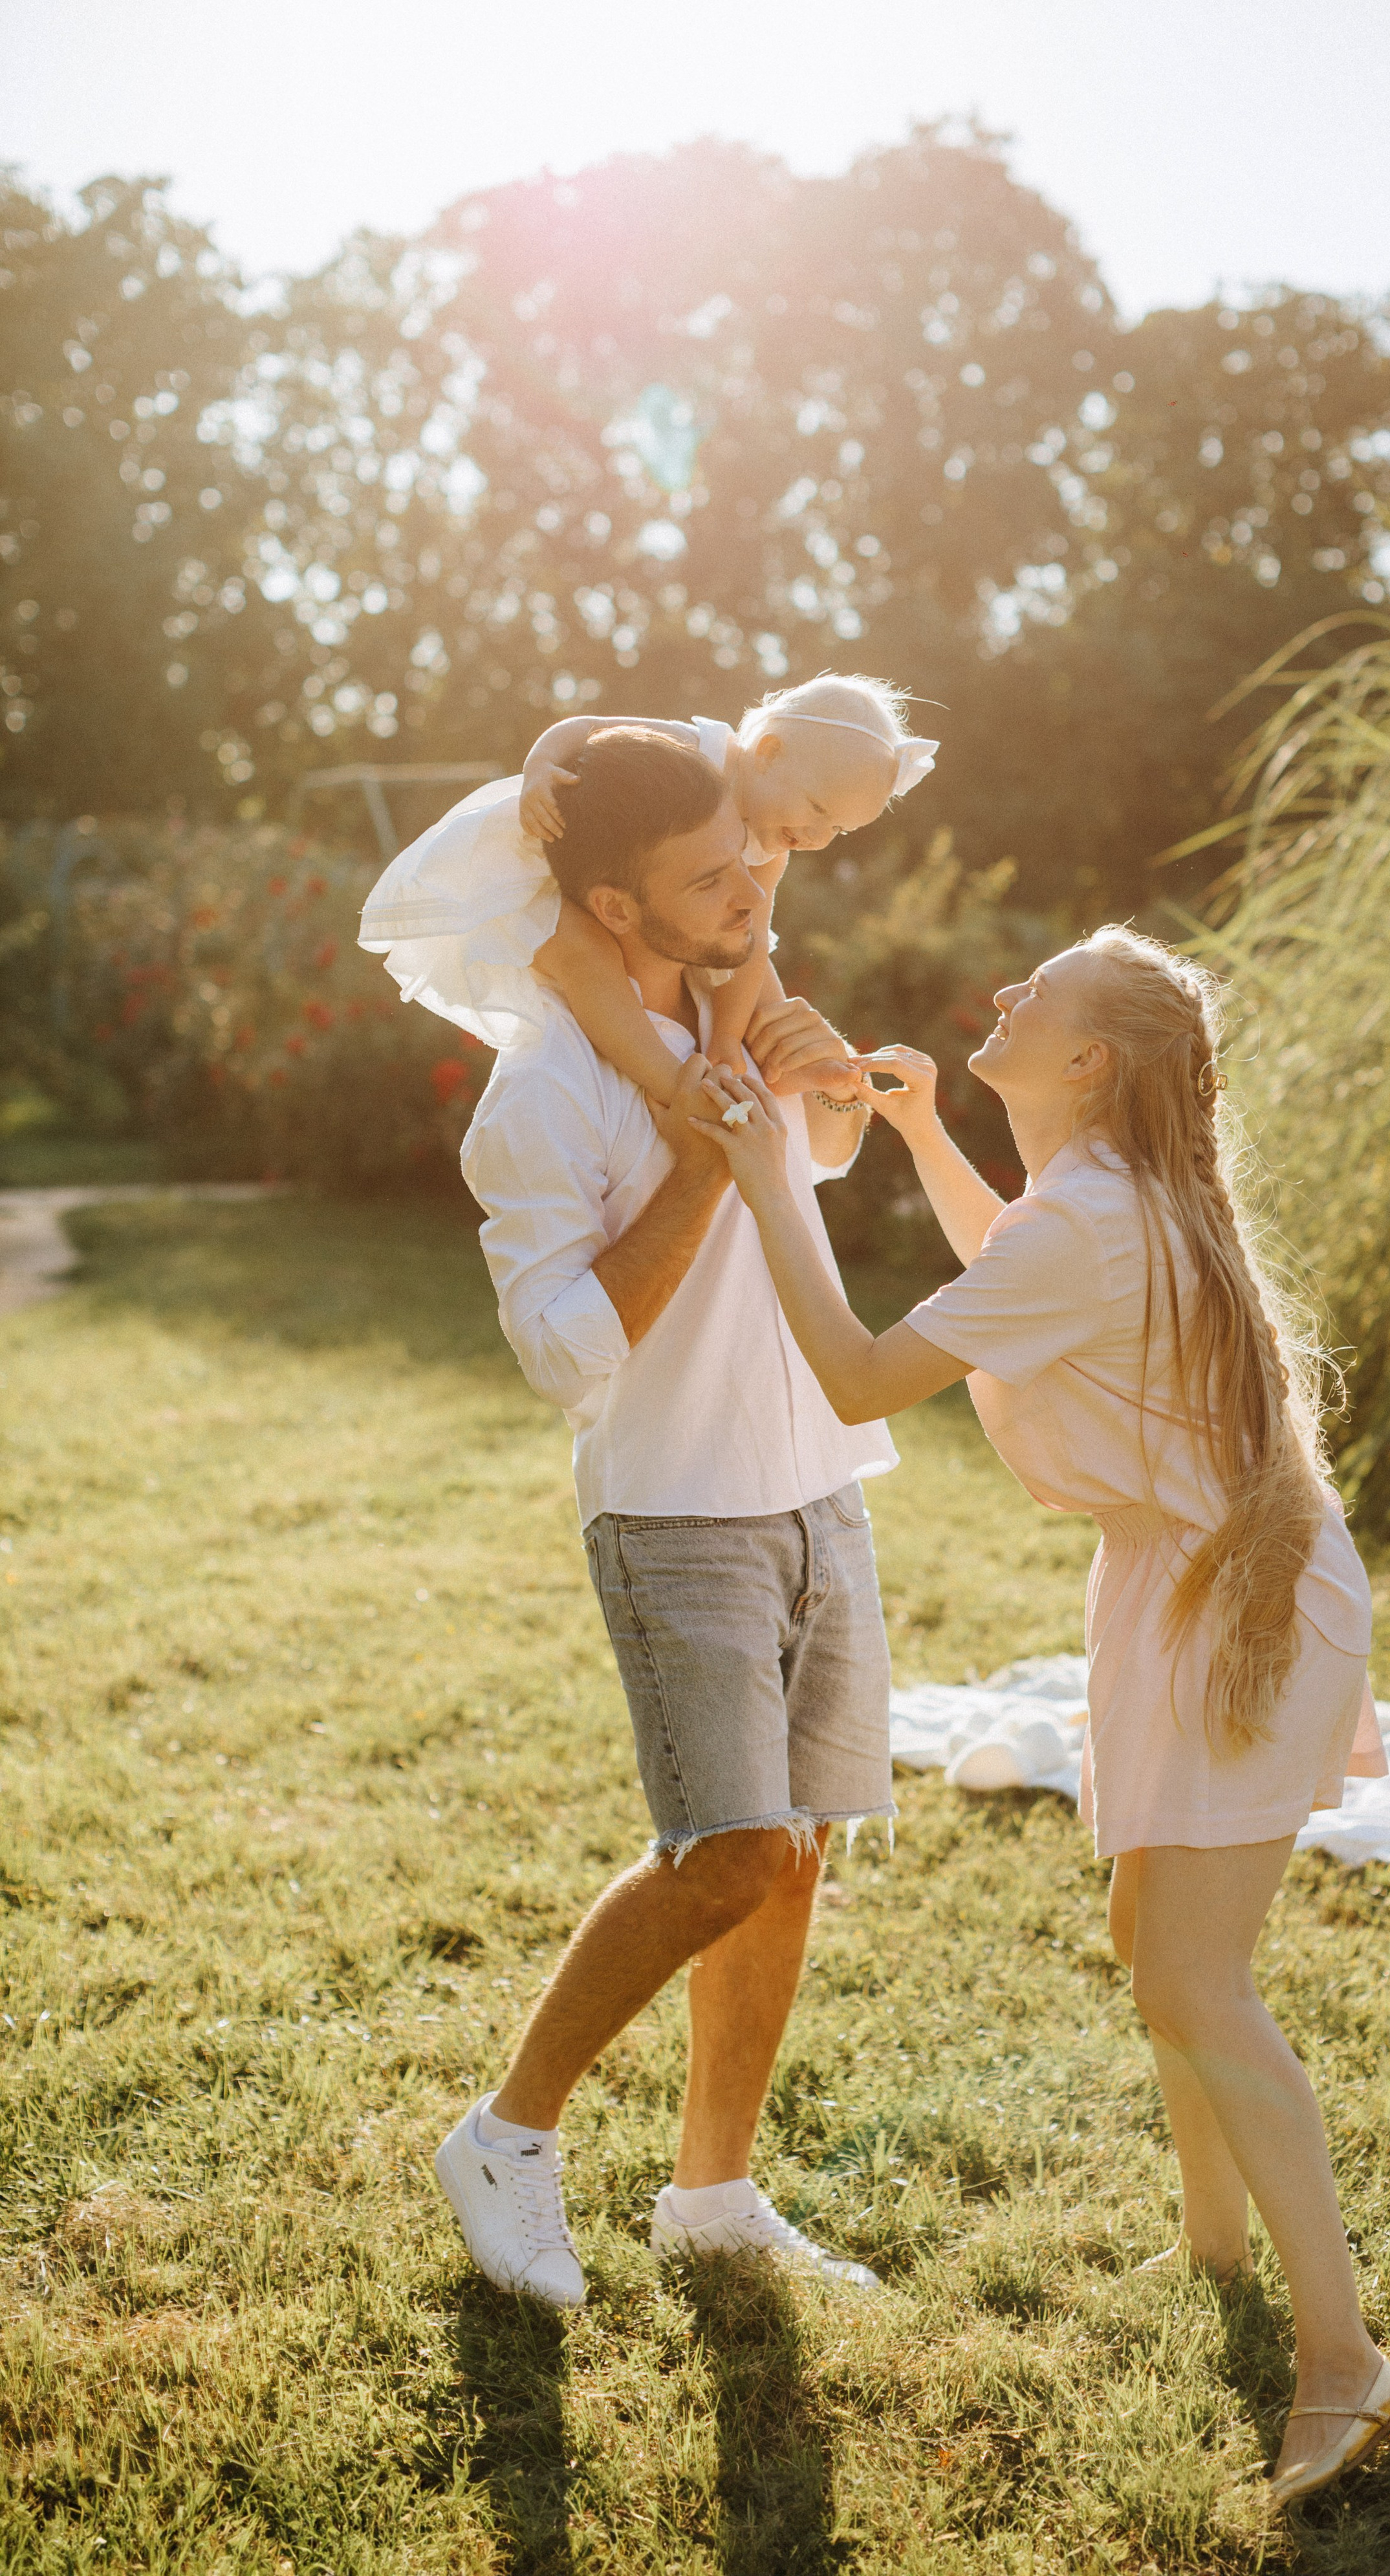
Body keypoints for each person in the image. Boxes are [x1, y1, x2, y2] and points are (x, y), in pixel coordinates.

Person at [691, 926, 1390, 2509]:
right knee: (1153, 1940)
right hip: (1194, 1582)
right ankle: (1213, 2249)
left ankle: (1343, 2357)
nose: (1001, 999)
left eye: (1036, 996)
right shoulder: (1093, 1209)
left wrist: (768, 1179)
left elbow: (861, 1374)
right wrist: (918, 1130)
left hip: (1229, 1601)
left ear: (1088, 1061)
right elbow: (1019, 1262)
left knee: (1194, 1977)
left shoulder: (1088, 1222)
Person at [430, 725, 898, 2310]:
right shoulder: (542, 1089)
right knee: (724, 1854)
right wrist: (700, 1170)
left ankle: (712, 2192)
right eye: (707, 876)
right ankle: (503, 2135)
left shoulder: (731, 993)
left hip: (813, 1474)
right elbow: (559, 1348)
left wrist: (813, 1098)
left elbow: (813, 1168)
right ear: (613, 910)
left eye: (747, 855)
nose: (750, 887)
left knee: (796, 1853)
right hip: (677, 1505)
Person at [358, 671, 938, 1093]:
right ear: (767, 752)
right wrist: (541, 769)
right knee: (585, 955)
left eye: (838, 828)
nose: (818, 836)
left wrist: (725, 1042)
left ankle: (801, 1092)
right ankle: (669, 1087)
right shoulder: (693, 752)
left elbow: (752, 941)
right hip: (560, 856)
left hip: (662, 900)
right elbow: (585, 728)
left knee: (760, 976)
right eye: (816, 809)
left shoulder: (768, 845)